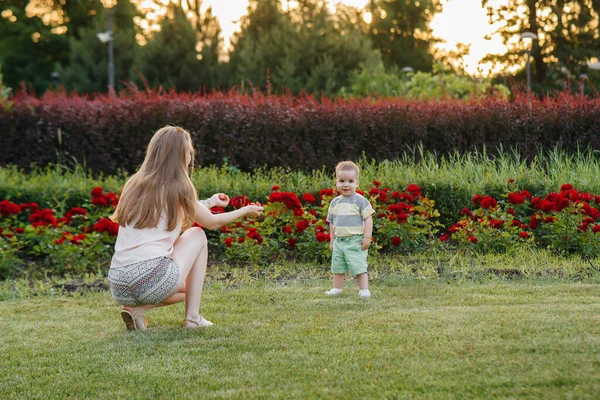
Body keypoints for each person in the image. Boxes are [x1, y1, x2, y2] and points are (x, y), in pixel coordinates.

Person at [108, 126, 263, 331]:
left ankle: (136, 309)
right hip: (150, 276)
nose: (191, 156)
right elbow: (211, 223)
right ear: (179, 155)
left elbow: (181, 209)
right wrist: (245, 211)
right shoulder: (179, 185)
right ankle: (193, 318)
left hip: (118, 283)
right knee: (198, 234)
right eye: (189, 151)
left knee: (187, 290)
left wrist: (210, 201)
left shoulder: (133, 184)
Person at [324, 161, 375, 298]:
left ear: (357, 183)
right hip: (339, 241)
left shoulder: (361, 201)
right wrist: (332, 239)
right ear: (336, 182)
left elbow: (368, 219)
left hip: (355, 241)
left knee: (358, 265)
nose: (346, 184)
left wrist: (367, 237)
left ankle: (364, 290)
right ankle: (337, 288)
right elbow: (331, 221)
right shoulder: (334, 202)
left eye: (350, 181)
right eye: (342, 181)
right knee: (337, 266)